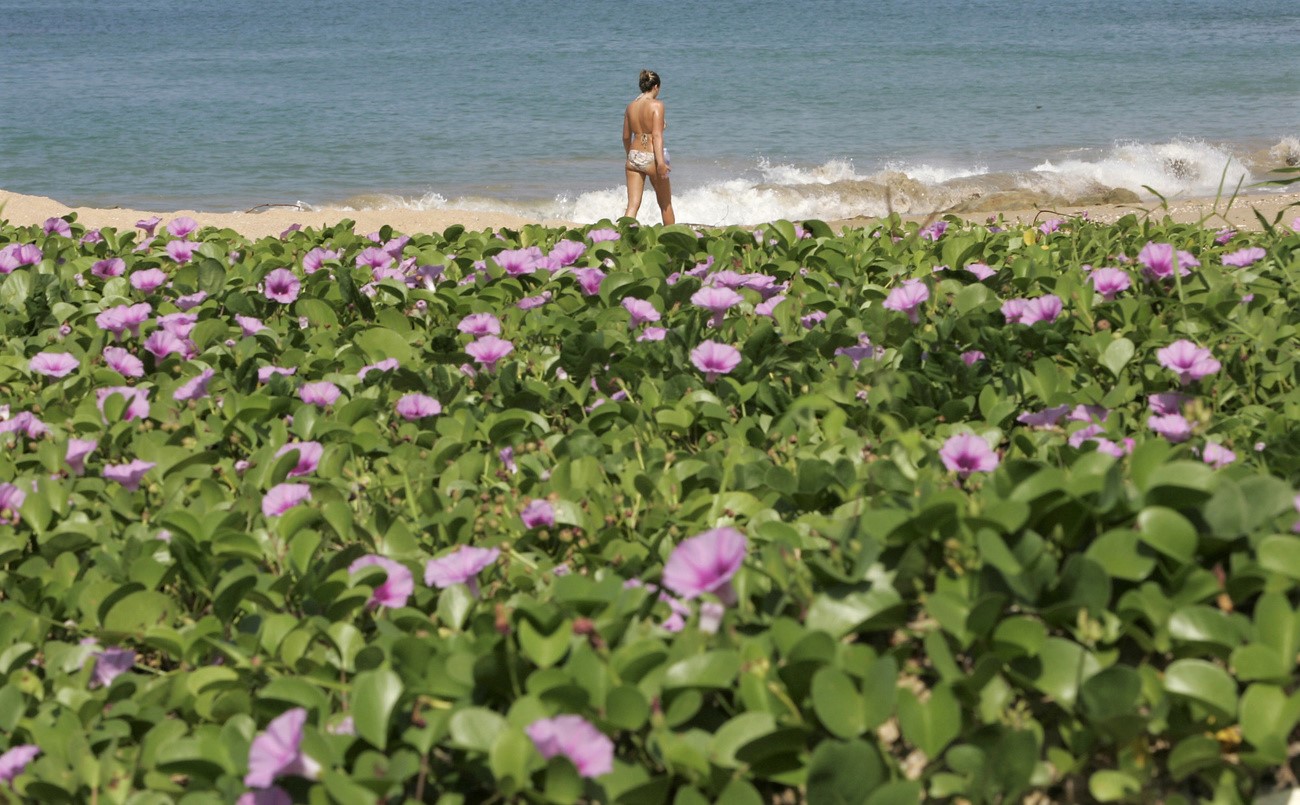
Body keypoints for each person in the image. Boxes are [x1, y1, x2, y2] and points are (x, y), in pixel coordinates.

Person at [623, 70, 675, 225]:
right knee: (665, 204)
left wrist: (629, 156)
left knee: (632, 205)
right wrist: (661, 164)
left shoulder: (630, 106)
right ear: (656, 87)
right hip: (651, 156)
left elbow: (626, 137)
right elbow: (657, 136)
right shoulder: (657, 105)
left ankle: (621, 239)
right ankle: (672, 240)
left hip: (633, 155)